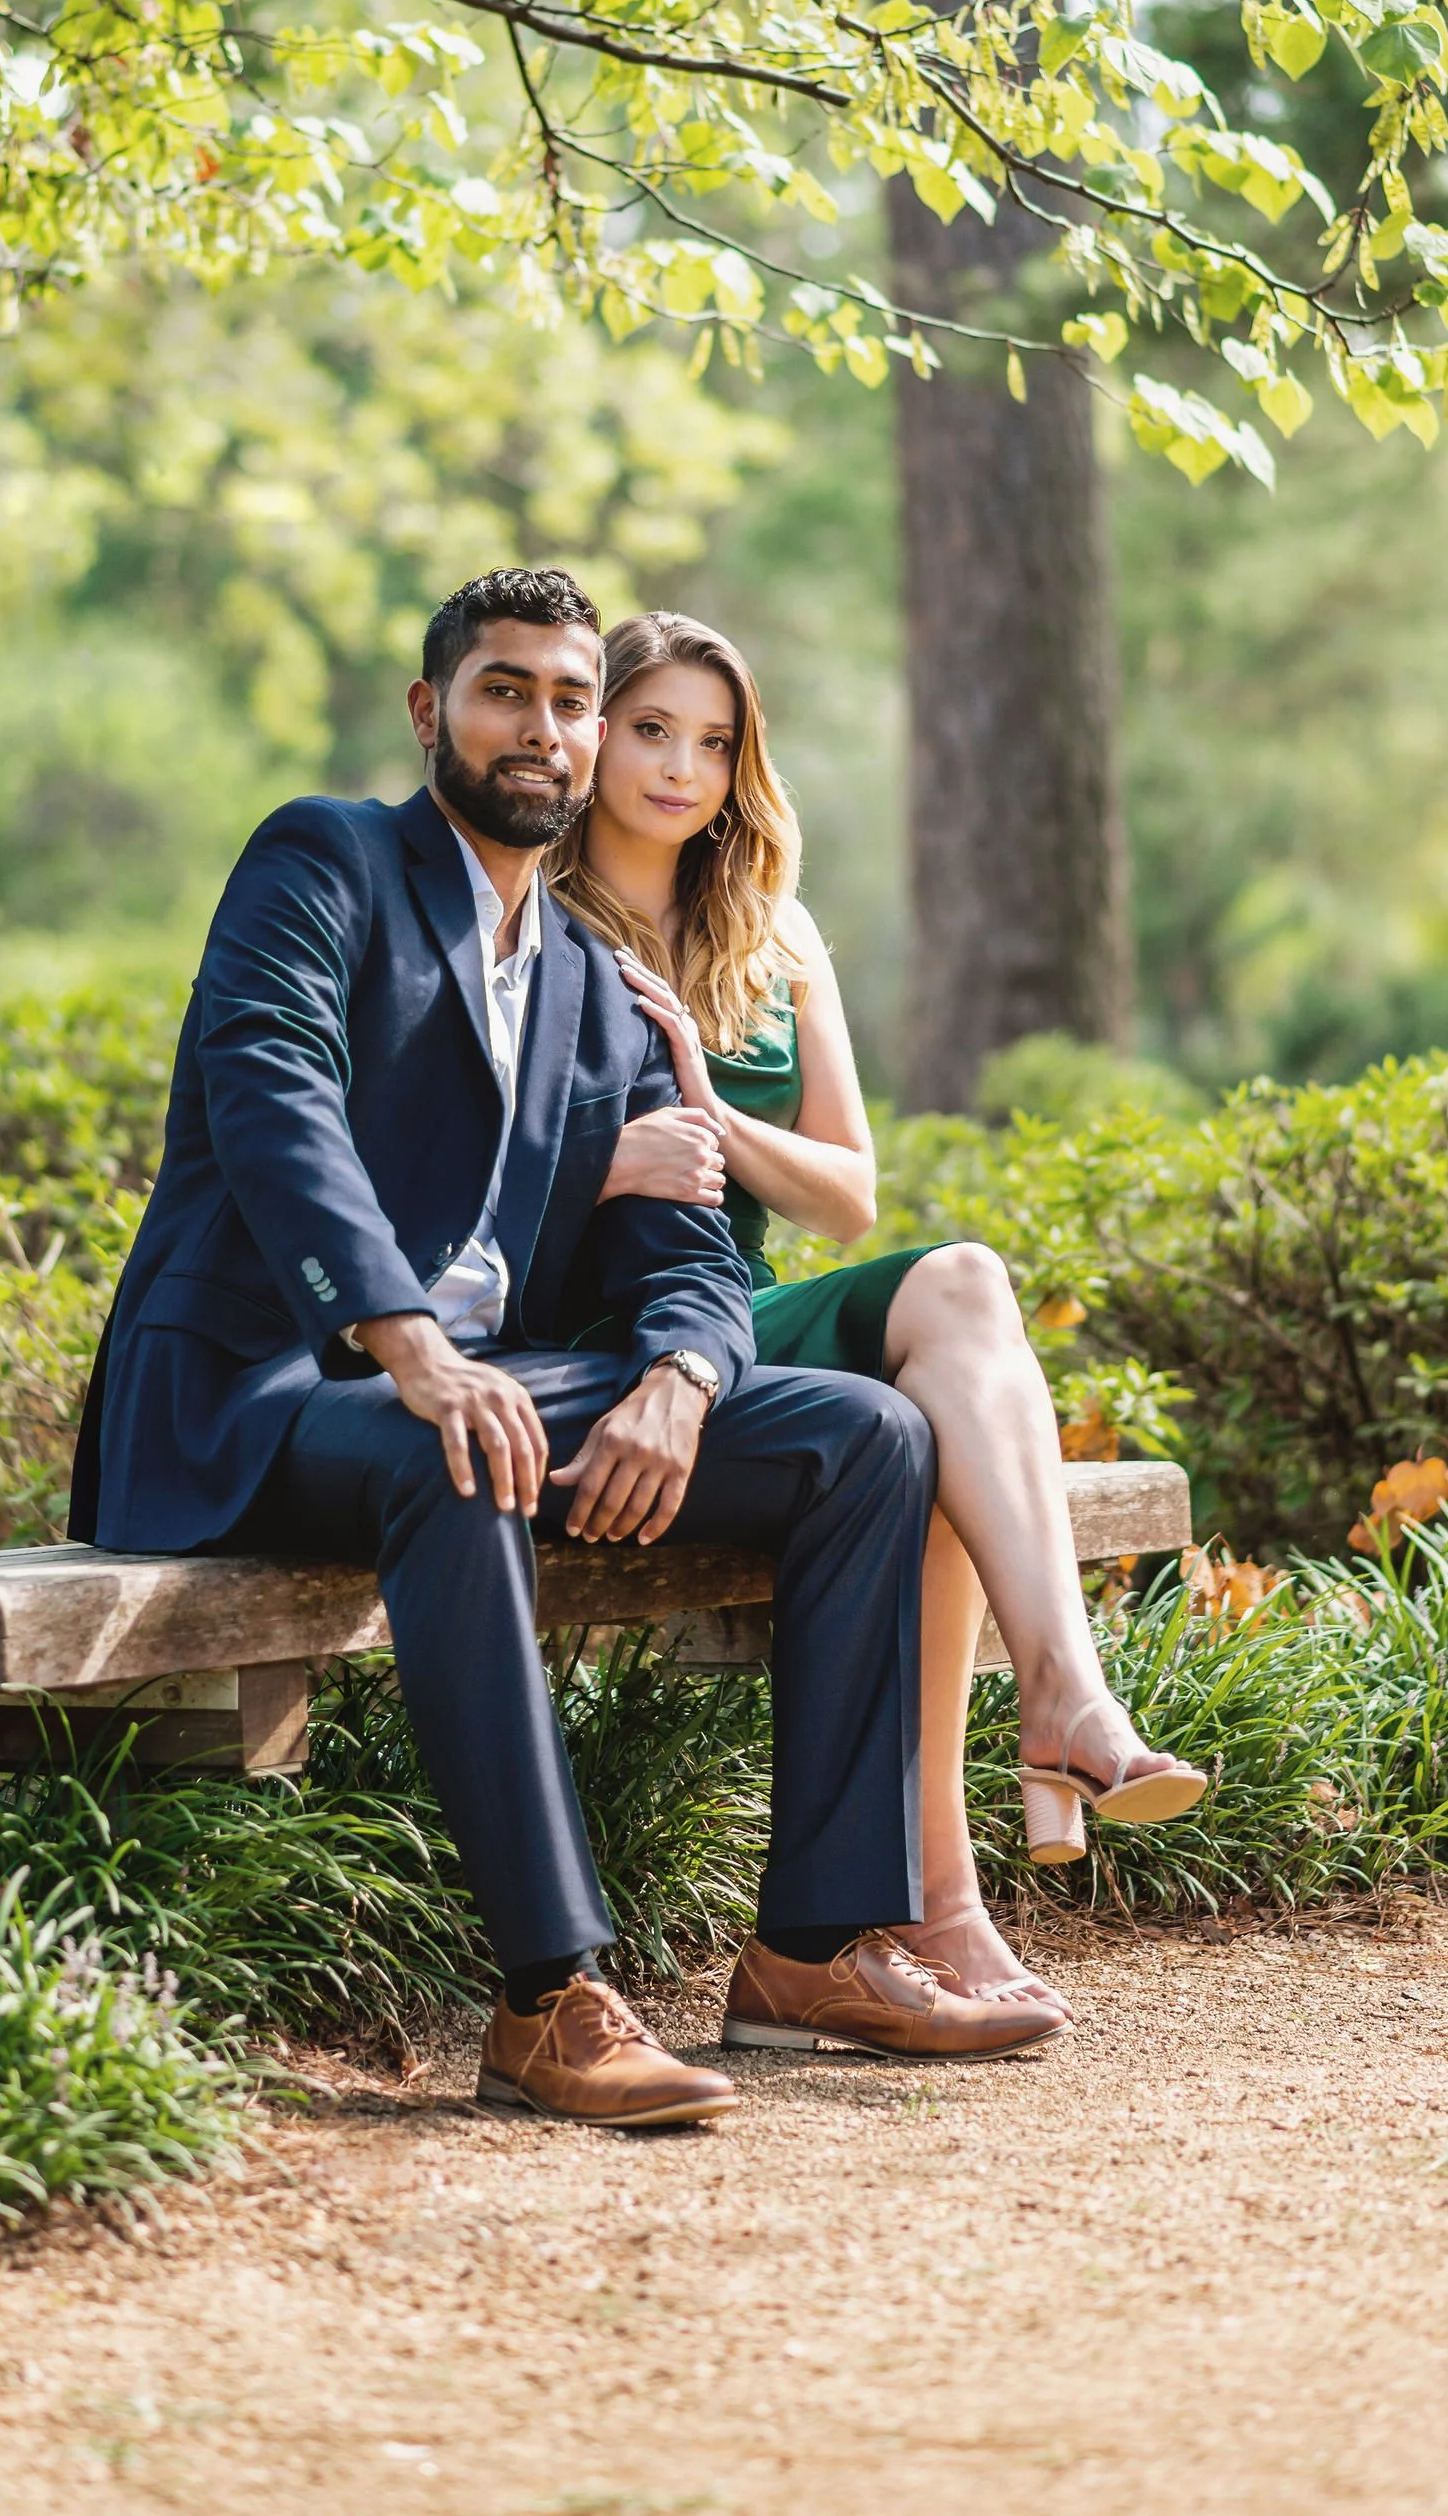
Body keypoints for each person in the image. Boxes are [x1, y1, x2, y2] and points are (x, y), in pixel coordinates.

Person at [71, 566, 1050, 2130]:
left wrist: (682, 1378)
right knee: (462, 1442)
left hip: (496, 1382)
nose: (543, 727)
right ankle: (550, 1997)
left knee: (861, 1438)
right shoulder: (323, 864)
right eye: (505, 690)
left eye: (571, 700)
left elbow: (679, 1244)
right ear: (430, 711)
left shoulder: (599, 987)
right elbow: (277, 1113)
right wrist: (406, 1342)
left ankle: (810, 1947)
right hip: (269, 1393)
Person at [550, 610, 1209, 2038]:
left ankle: (1063, 1702)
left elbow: (848, 1195)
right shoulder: (536, 913)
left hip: (747, 1310)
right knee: (913, 1436)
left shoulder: (769, 931)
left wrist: (712, 1115)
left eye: (714, 742)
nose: (681, 767)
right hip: (605, 1332)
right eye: (652, 729)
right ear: (593, 731)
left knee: (959, 1281)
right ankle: (956, 1890)